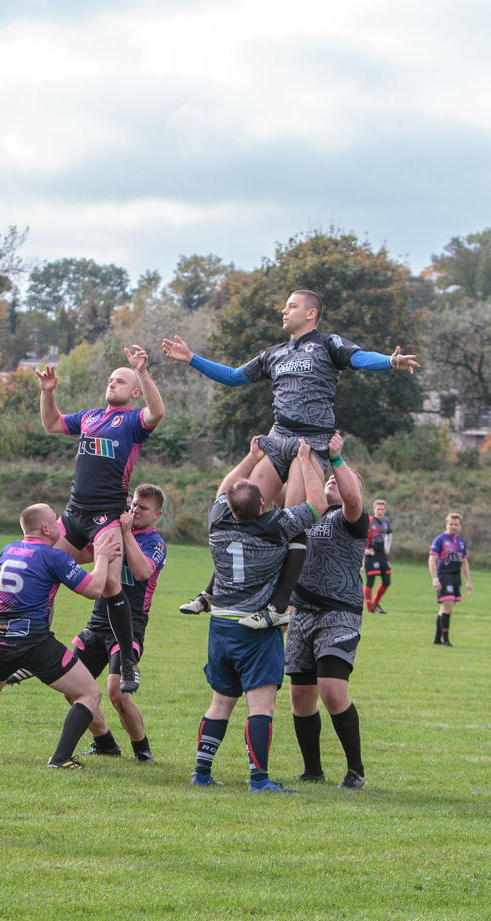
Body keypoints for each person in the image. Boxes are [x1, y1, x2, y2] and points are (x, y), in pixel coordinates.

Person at [163, 291, 418, 628]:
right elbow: (233, 377)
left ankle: (279, 606)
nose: (284, 310)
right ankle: (211, 594)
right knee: (240, 506)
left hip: (309, 444)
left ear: (311, 313)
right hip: (278, 438)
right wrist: (192, 358)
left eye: (292, 305)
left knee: (295, 519)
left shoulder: (327, 344)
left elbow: (359, 358)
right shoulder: (275, 353)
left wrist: (390, 361)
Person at [0, 503, 121, 770]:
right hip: (32, 640)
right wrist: (102, 556)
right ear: (46, 529)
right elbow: (95, 590)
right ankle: (60, 758)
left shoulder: (8, 549)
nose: (60, 525)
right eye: (56, 520)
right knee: (90, 694)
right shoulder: (54, 556)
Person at [192, 436, 325, 792]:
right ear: (263, 503)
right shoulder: (276, 525)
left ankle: (201, 773)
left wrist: (251, 458)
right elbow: (318, 504)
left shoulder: (217, 519)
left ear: (229, 505)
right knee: (261, 705)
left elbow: (224, 488)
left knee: (221, 702)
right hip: (255, 626)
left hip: (220, 623)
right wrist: (305, 459)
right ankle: (259, 779)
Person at [34, 345, 163, 693]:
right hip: (74, 512)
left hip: (106, 516)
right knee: (43, 566)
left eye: (120, 381)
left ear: (134, 392)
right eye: (110, 379)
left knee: (110, 584)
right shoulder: (90, 417)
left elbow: (157, 411)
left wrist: (142, 370)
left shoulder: (133, 422)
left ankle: (128, 664)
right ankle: (35, 643)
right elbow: (51, 423)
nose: (112, 383)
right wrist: (48, 392)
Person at [286, 433, 370, 789]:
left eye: (342, 479)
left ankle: (355, 770)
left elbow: (352, 497)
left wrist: (336, 459)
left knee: (333, 692)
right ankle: (312, 771)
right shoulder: (308, 514)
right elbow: (285, 498)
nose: (333, 481)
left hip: (339, 613)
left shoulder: (353, 519)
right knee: (301, 698)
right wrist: (301, 458)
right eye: (330, 479)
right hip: (302, 613)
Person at [68, 485, 168, 763]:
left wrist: (126, 533)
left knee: (119, 695)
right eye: (133, 505)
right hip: (98, 621)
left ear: (157, 514)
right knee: (71, 687)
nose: (135, 511)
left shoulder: (155, 543)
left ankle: (143, 751)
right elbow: (78, 555)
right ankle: (105, 743)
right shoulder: (112, 532)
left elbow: (142, 571)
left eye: (143, 508)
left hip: (130, 625)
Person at [428, 513, 471, 646]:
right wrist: (435, 579)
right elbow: (432, 559)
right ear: (446, 525)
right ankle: (446, 640)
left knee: (445, 608)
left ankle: (437, 639)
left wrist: (468, 582)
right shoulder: (440, 539)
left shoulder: (461, 542)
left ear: (460, 526)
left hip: (456, 577)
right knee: (448, 607)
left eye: (456, 524)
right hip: (444, 575)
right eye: (451, 524)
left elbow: (464, 562)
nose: (453, 527)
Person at [363, 499, 393, 613]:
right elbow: (360, 535)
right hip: (371, 554)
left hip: (382, 554)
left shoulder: (386, 521)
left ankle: (375, 603)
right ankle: (369, 607)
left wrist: (387, 548)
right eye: (378, 509)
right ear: (374, 510)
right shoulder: (369, 521)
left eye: (382, 509)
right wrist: (364, 550)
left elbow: (389, 535)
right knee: (370, 581)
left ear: (385, 511)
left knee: (387, 580)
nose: (380, 511)